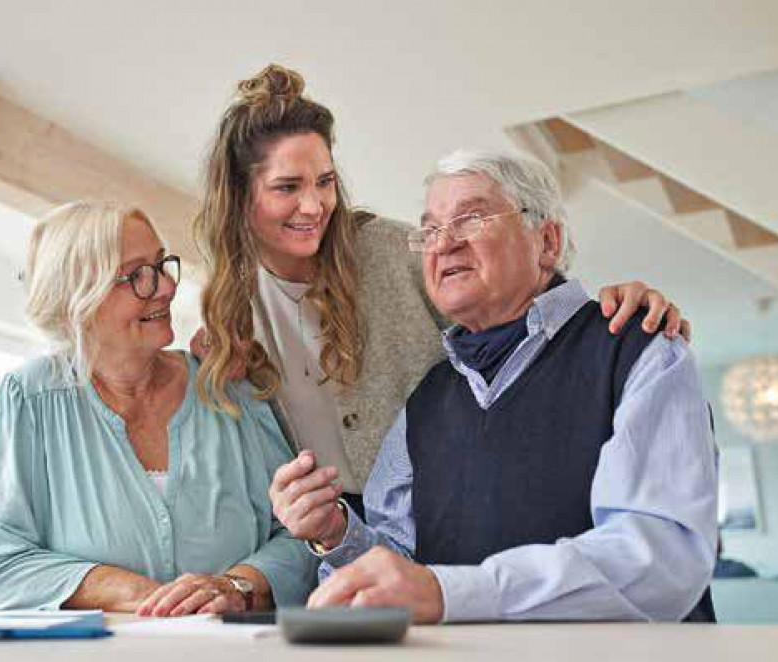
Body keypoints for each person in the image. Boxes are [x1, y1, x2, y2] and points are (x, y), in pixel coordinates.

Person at [192, 64, 692, 520]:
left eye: (324, 182)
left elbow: (523, 316)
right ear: (241, 195)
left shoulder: (393, 250)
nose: (314, 205)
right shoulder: (230, 303)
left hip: (439, 510)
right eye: (287, 187)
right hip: (322, 529)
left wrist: (608, 310)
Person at [272, 149, 718, 623]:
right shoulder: (426, 401)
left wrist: (455, 594)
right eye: (431, 230)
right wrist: (337, 532)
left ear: (546, 242)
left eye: (471, 219)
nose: (444, 245)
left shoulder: (641, 350)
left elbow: (661, 558)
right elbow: (400, 562)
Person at [0, 200, 316, 615]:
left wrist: (237, 586)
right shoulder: (30, 399)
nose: (167, 287)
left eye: (162, 264)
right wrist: (137, 593)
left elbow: (303, 534)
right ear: (81, 300)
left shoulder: (227, 385)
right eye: (138, 276)